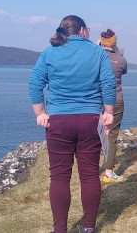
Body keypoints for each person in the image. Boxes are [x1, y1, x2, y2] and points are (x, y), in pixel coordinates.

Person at [28, 15, 116, 233]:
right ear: (83, 30)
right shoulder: (97, 52)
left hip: (58, 121)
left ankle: (60, 230)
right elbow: (108, 84)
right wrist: (108, 113)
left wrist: (40, 113)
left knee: (59, 177)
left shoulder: (50, 52)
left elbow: (34, 84)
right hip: (89, 120)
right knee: (88, 175)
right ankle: (88, 228)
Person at [98, 29, 128, 183]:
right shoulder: (121, 60)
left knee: (94, 133)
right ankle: (108, 172)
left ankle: (92, 169)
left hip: (96, 100)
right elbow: (123, 72)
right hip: (116, 99)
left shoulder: (95, 56)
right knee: (112, 135)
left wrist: (97, 47)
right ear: (114, 42)